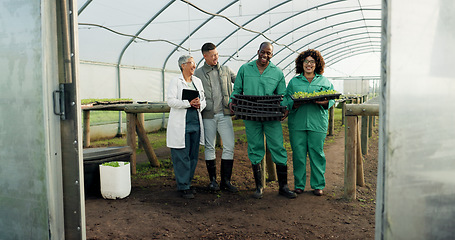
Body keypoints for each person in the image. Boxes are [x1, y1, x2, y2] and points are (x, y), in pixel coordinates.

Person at [229, 42, 296, 199]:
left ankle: (283, 187)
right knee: (255, 147)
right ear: (258, 51)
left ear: (272, 55)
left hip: (271, 116)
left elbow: (283, 94)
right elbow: (237, 90)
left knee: (278, 147)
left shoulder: (277, 72)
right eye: (263, 52)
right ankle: (259, 186)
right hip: (251, 115)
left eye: (269, 53)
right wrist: (232, 101)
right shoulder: (245, 69)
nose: (265, 55)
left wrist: (285, 107)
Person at [283, 49, 335, 196]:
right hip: (297, 123)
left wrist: (326, 102)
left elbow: (331, 99)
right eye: (306, 61)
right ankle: (299, 185)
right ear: (302, 63)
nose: (309, 64)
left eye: (312, 61)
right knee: (298, 154)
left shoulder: (324, 81)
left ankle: (318, 185)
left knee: (317, 153)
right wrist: (293, 104)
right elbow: (287, 99)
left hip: (317, 123)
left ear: (317, 64)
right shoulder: (294, 82)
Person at [194, 43, 238, 193]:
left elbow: (239, 82)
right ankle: (213, 181)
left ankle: (226, 181)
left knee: (229, 146)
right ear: (204, 56)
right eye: (212, 55)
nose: (215, 58)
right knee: (209, 146)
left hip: (225, 114)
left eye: (217, 54)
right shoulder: (198, 74)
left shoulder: (225, 70)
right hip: (208, 115)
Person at [166, 55, 206, 199]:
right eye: (191, 63)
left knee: (193, 155)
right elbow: (170, 101)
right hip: (181, 124)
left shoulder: (197, 82)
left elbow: (204, 99)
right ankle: (183, 186)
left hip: (195, 121)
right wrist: (188, 104)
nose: (194, 66)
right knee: (181, 155)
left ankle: (187, 182)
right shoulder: (175, 81)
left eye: (194, 63)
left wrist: (199, 104)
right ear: (183, 65)